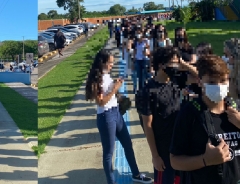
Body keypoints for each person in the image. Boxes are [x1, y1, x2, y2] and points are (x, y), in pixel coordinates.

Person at [85, 49, 153, 184]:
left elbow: (109, 96)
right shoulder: (97, 78)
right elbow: (101, 101)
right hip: (106, 117)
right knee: (109, 153)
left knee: (128, 144)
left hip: (116, 113)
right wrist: (115, 88)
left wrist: (118, 96)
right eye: (110, 63)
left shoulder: (106, 75)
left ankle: (136, 174)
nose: (112, 65)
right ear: (102, 62)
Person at [170, 55, 240, 184]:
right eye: (212, 82)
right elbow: (175, 161)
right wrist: (205, 160)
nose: (219, 86)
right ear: (200, 81)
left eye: (223, 81)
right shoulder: (189, 114)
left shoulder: (235, 112)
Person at [140, 47, 184, 184]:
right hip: (163, 149)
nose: (176, 66)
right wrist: (155, 156)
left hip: (179, 145)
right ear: (161, 65)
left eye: (177, 63)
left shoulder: (175, 82)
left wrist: (184, 65)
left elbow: (200, 77)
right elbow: (147, 126)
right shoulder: (148, 91)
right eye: (173, 63)